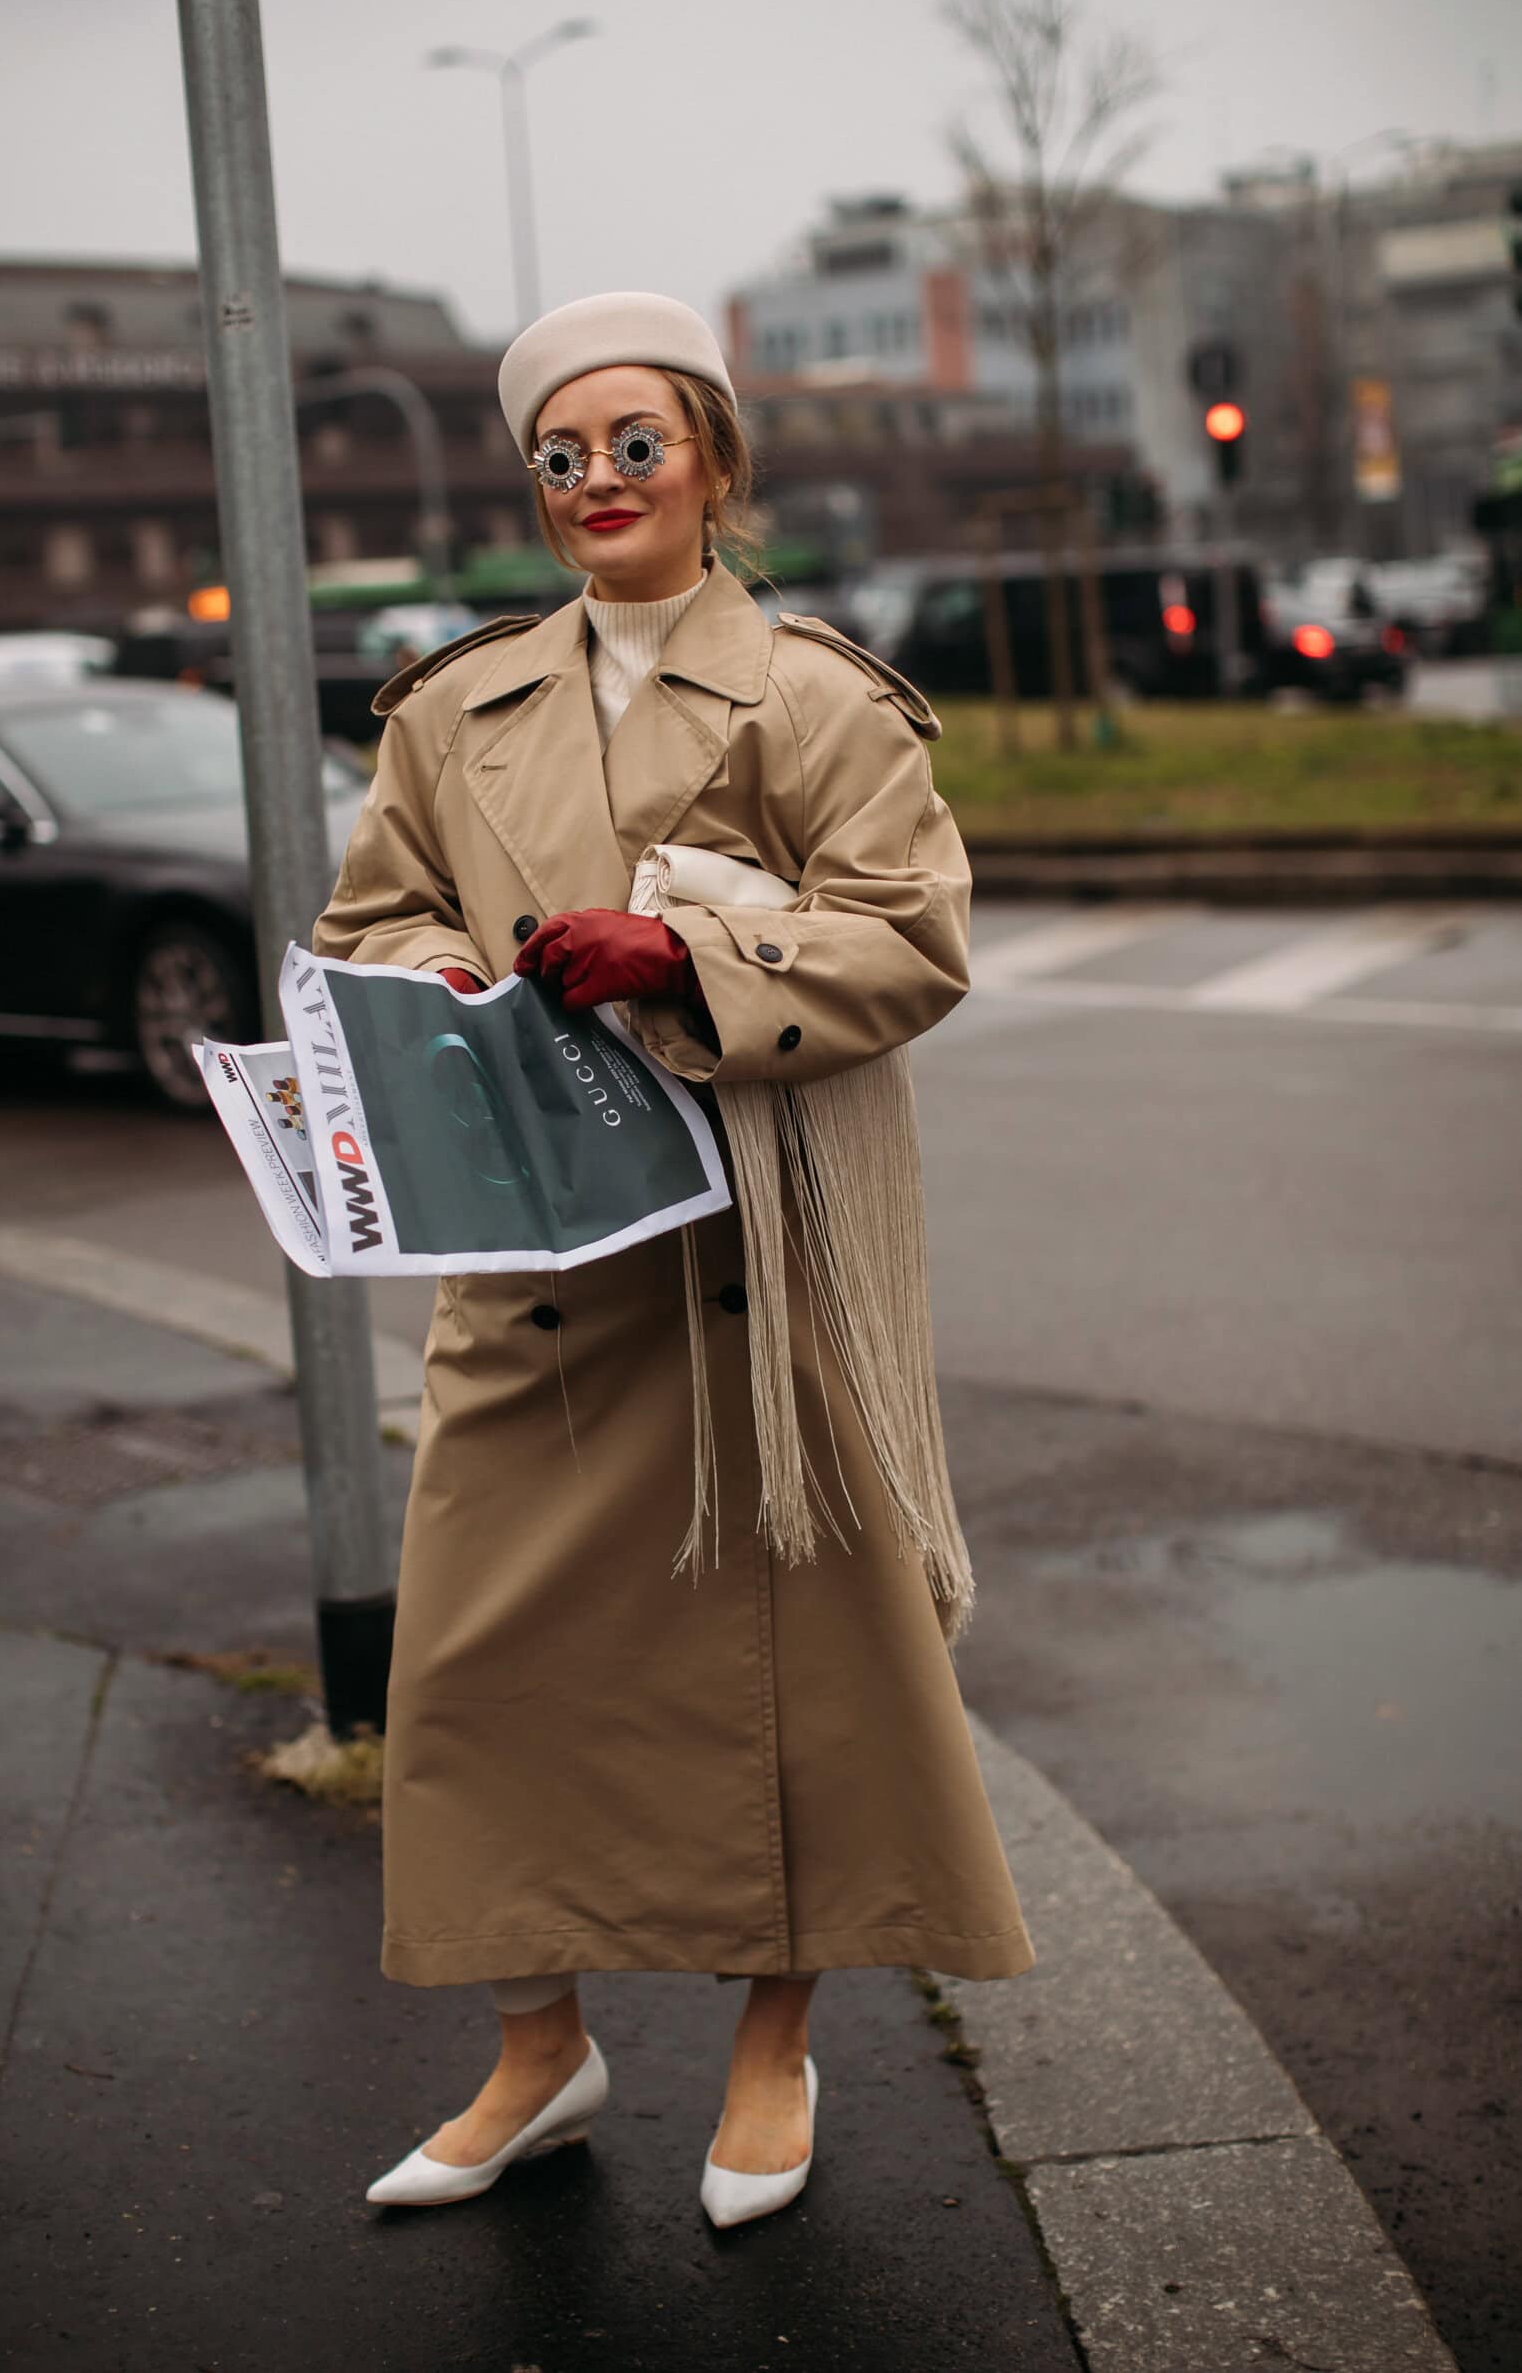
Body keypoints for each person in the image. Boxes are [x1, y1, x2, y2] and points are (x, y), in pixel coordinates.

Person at [313, 290, 1034, 2228]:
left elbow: (911, 933)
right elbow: (366, 915)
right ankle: (537, 2051)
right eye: (562, 452)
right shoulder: (453, 705)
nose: (597, 482)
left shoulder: (818, 692)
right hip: (537, 1256)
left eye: (635, 442)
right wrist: (442, 974)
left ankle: (772, 2047)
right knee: (474, 1664)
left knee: (792, 1671)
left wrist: (699, 959)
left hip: (755, 1261)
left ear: (713, 456)